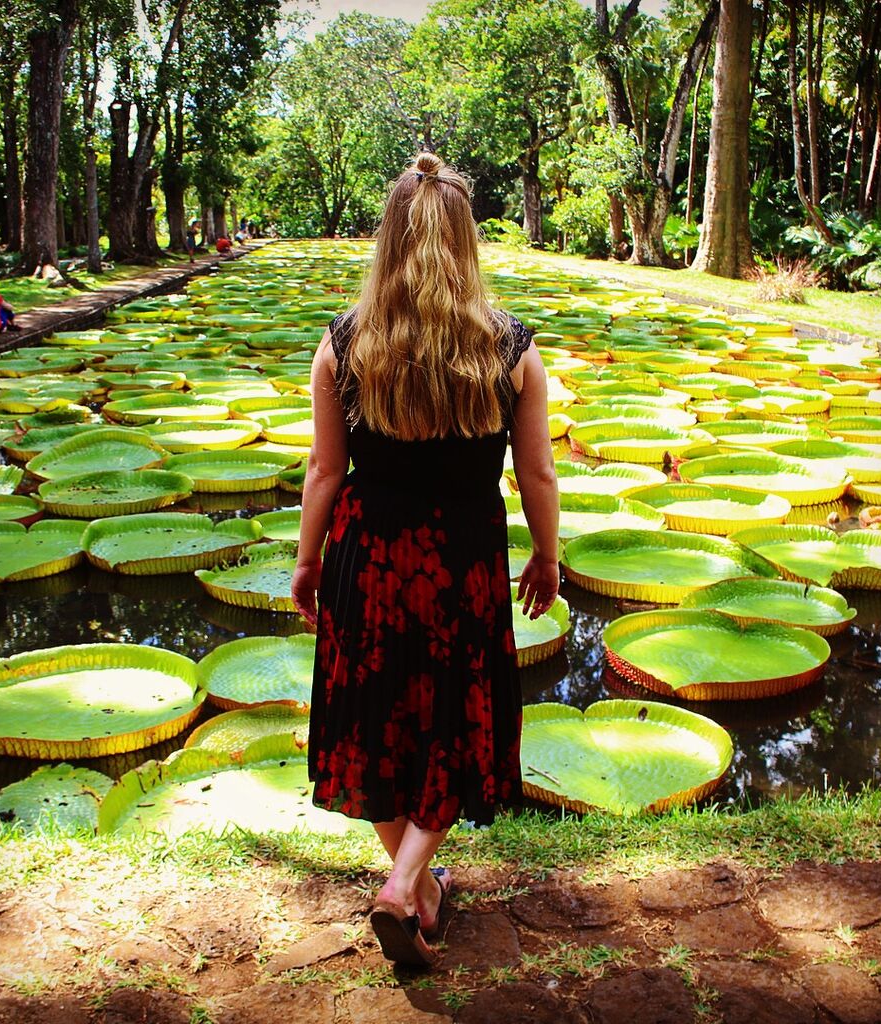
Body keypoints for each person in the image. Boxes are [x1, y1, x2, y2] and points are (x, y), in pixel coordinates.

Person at [291, 151, 559, 969]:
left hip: (368, 556)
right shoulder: (510, 349)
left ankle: (408, 881)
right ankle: (413, 886)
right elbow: (539, 471)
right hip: (464, 559)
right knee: (454, 716)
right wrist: (547, 554)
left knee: (373, 720)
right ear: (467, 242)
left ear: (388, 240)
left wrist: (308, 562)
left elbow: (325, 471)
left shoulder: (344, 346)